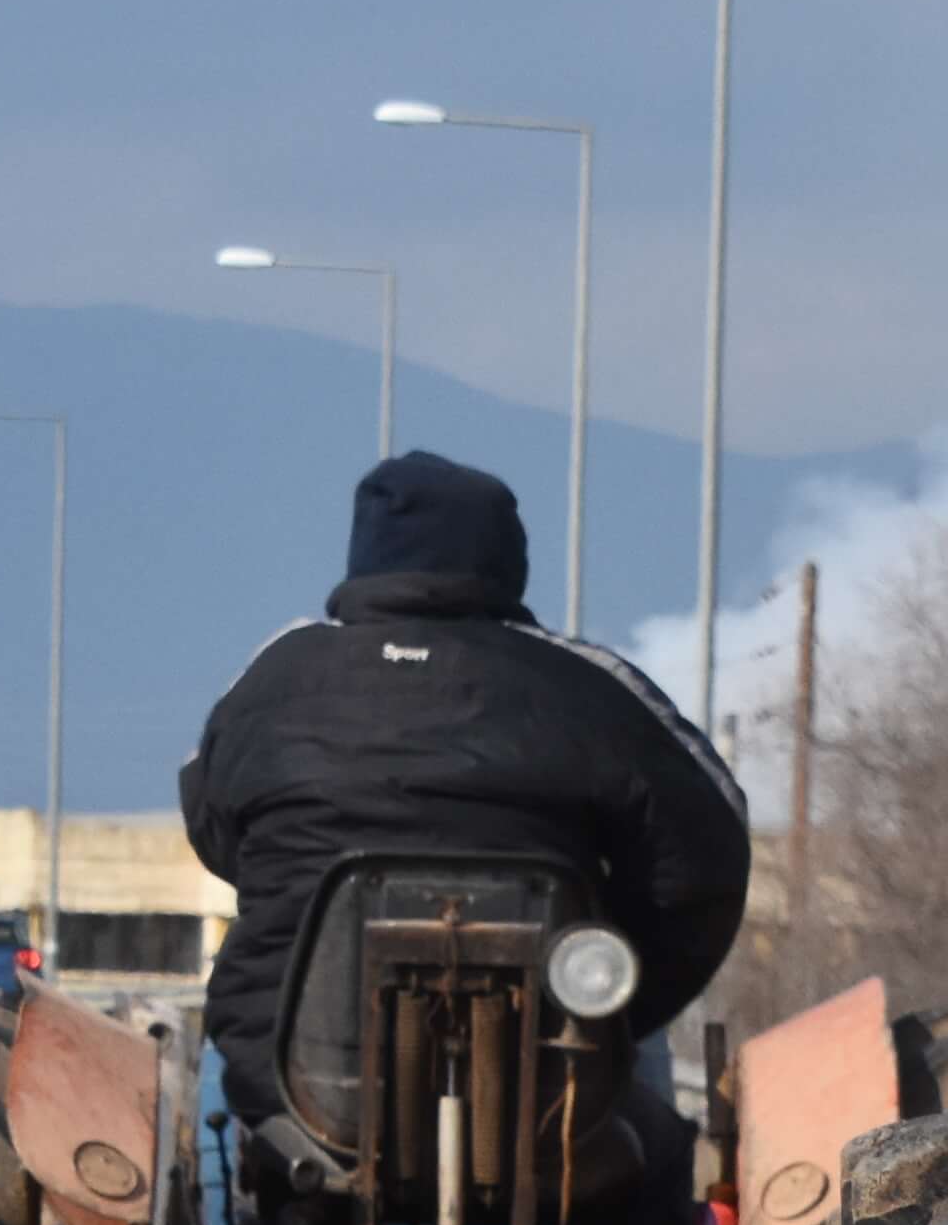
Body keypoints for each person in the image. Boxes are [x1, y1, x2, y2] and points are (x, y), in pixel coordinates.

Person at [177, 449, 752, 1173]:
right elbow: (707, 854)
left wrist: (292, 897)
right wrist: (620, 994)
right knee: (653, 1130)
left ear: (363, 557)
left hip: (286, 1092)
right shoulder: (587, 686)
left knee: (207, 1132)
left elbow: (211, 824)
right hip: (558, 1096)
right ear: (506, 561)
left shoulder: (271, 679)